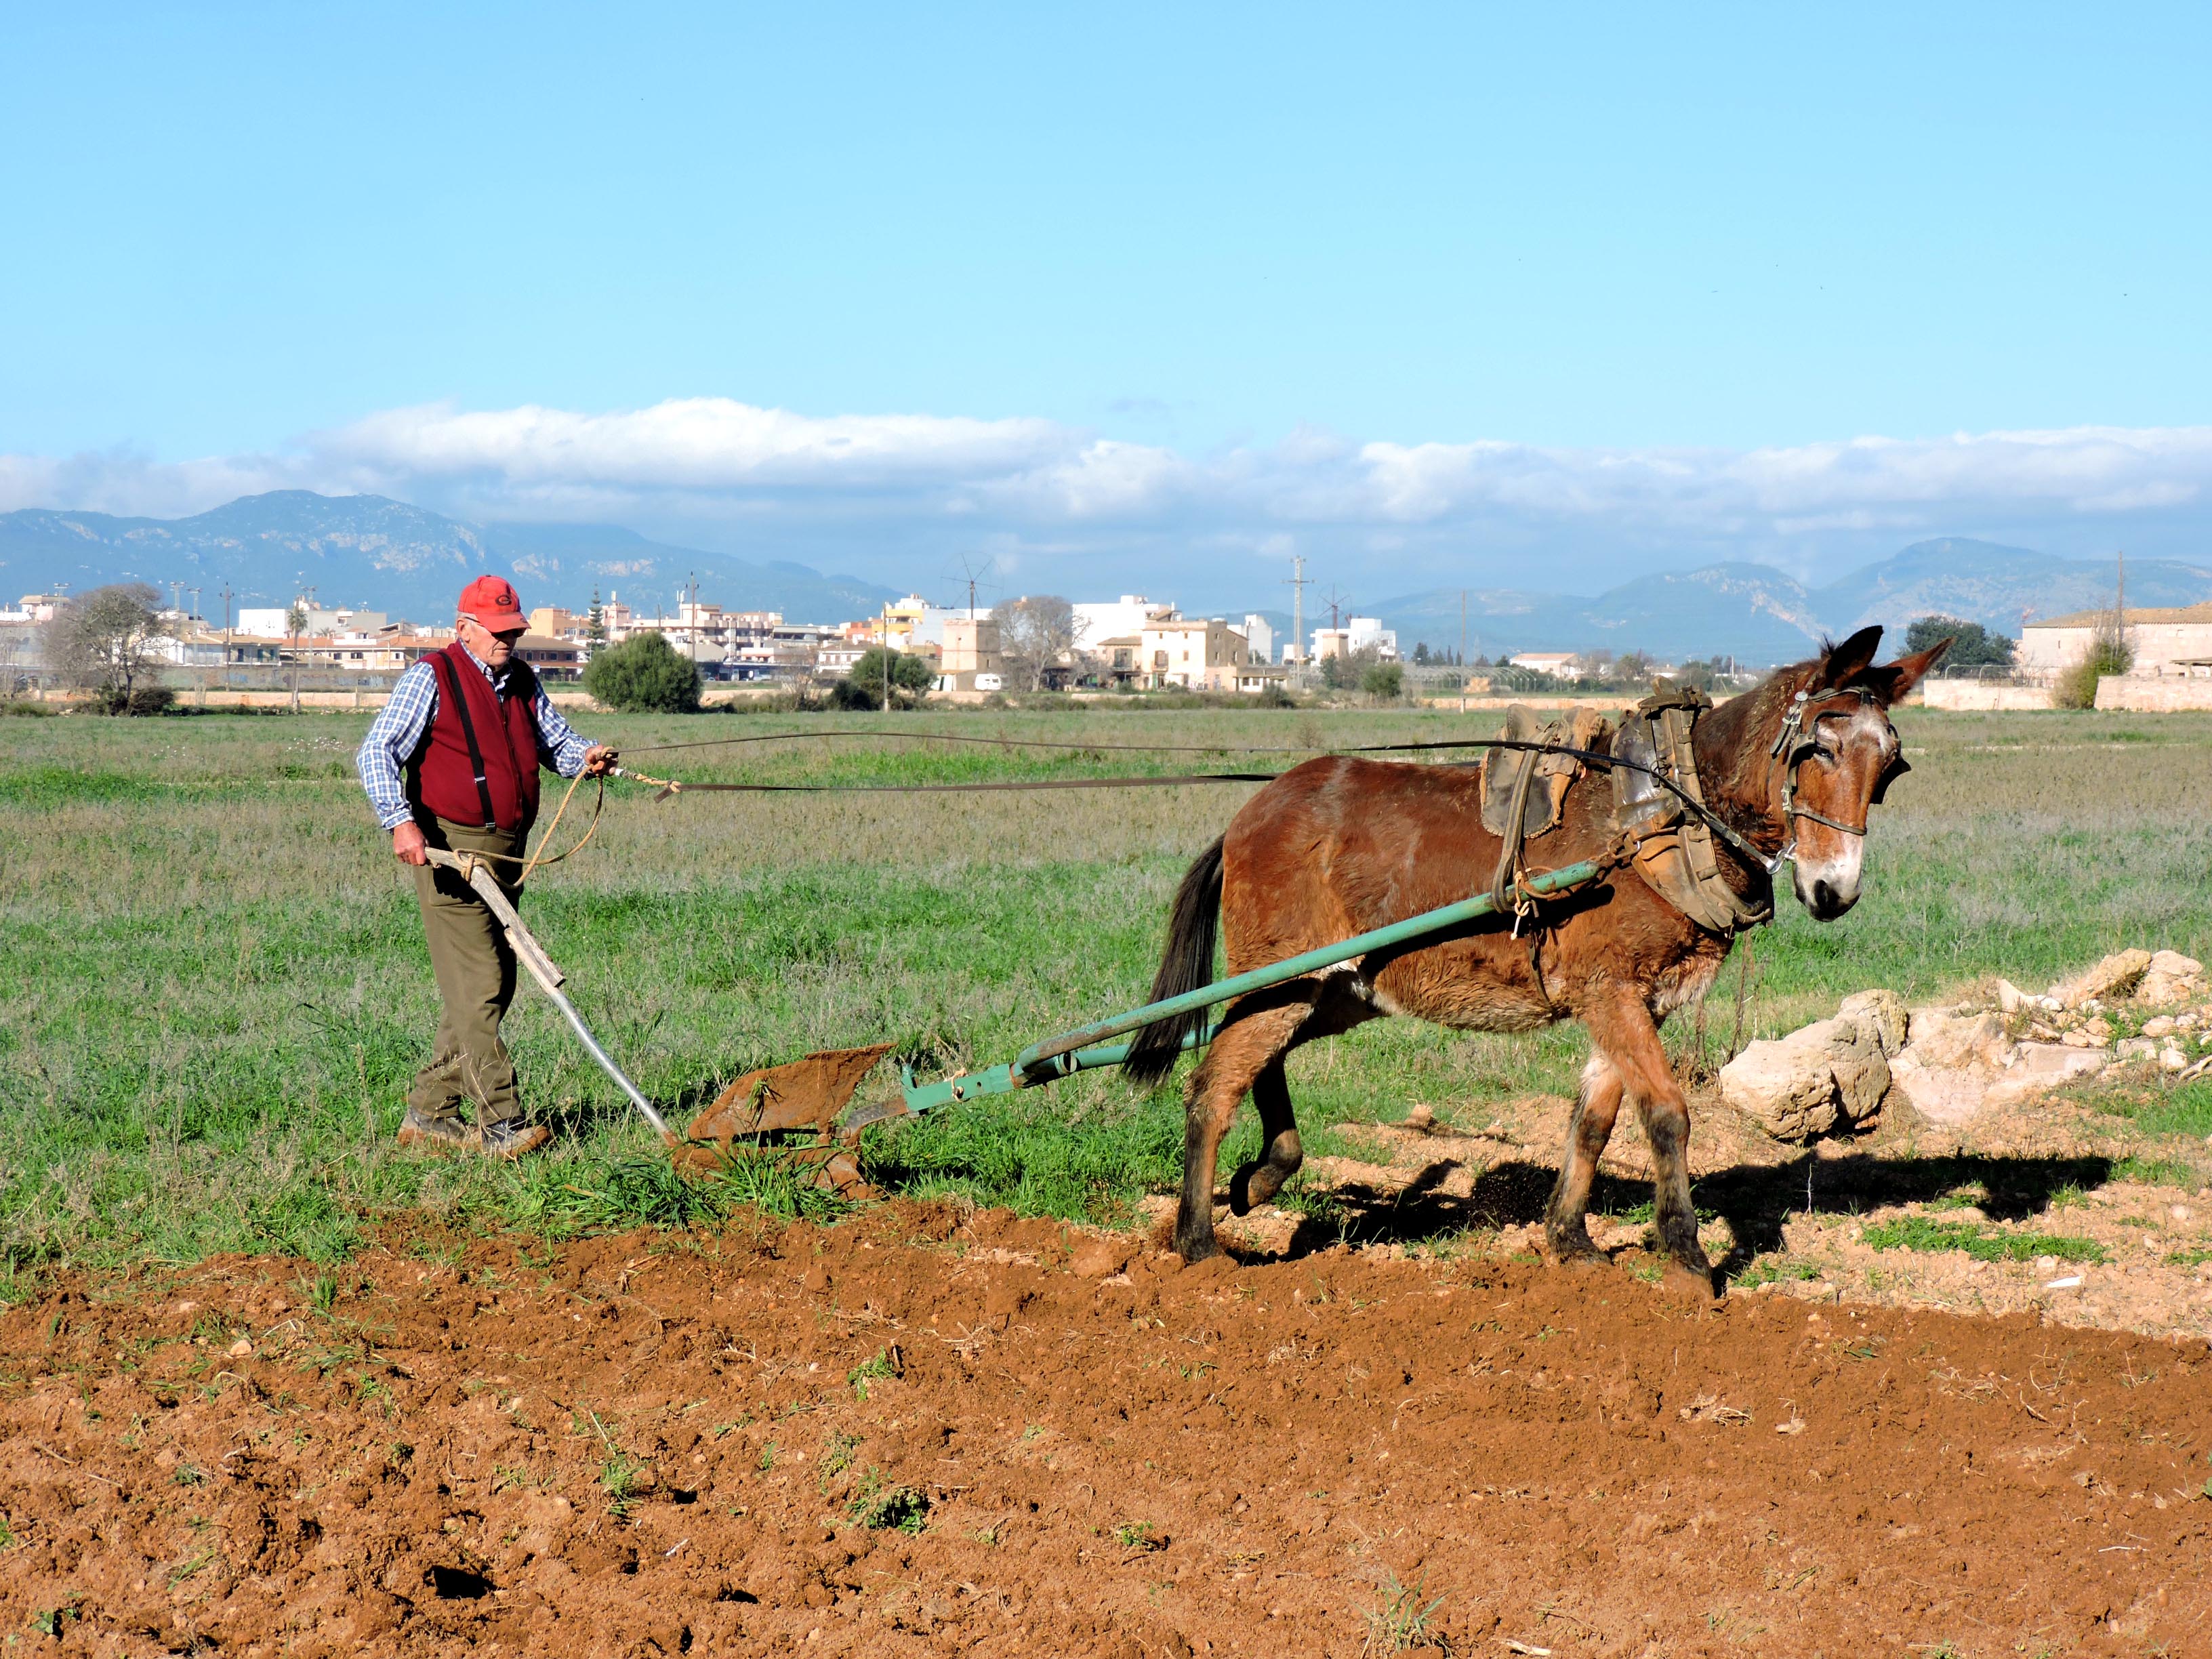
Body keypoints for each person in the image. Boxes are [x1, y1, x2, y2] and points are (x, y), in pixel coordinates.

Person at [356, 576, 617, 1156]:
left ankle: (428, 1114)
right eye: (499, 631)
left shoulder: (523, 680)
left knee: (490, 985)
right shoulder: (432, 676)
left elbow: (559, 745)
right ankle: (502, 1122)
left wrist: (589, 758)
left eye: (515, 629)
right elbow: (376, 751)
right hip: (451, 851)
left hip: (508, 850)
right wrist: (399, 821)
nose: (509, 639)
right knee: (480, 987)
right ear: (464, 628)